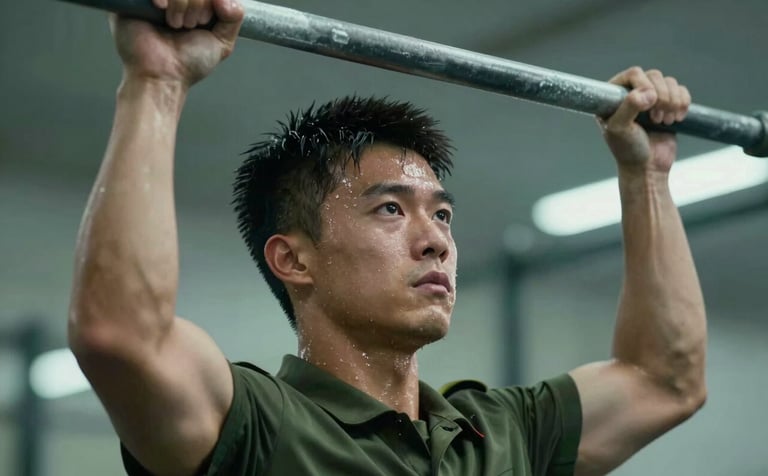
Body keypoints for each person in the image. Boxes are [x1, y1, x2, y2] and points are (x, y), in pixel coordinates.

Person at [67, 0, 708, 474]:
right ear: (293, 259)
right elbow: (122, 336)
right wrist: (157, 82)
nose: (436, 243)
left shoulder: (504, 435)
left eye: (443, 215)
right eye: (391, 211)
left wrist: (646, 174)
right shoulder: (254, 425)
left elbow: (666, 379)